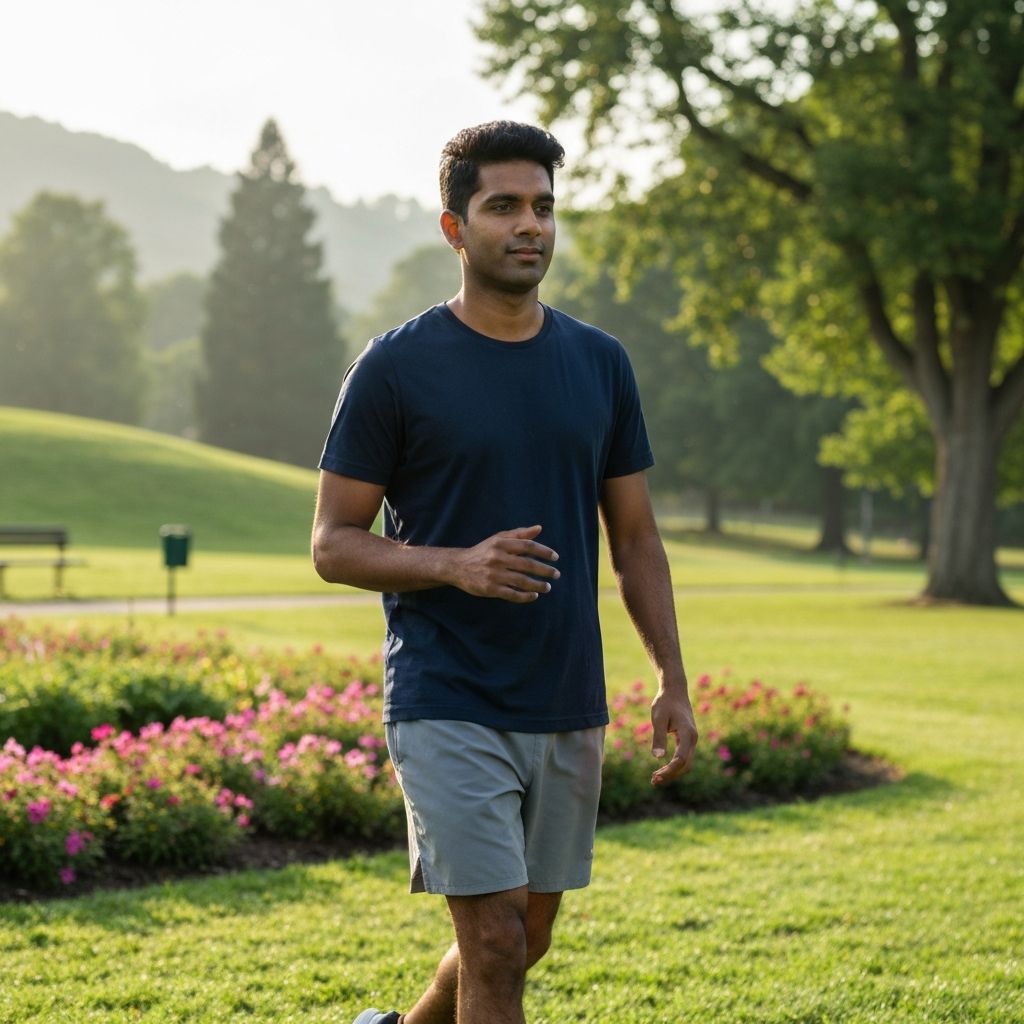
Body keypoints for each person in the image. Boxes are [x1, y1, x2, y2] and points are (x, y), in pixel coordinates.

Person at [312, 120, 698, 1024]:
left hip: (563, 694)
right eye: (504, 207)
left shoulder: (600, 363)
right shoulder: (396, 368)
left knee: (524, 936)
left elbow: (636, 537)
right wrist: (456, 565)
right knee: (493, 945)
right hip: (447, 691)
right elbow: (333, 542)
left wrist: (672, 677)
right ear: (456, 229)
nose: (530, 226)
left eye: (543, 208)